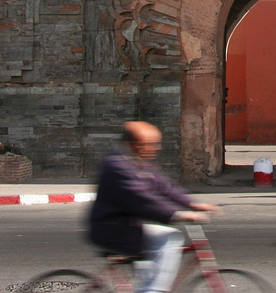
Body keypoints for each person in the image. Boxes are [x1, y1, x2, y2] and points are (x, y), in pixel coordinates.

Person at [89, 121, 220, 293]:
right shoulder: (117, 166)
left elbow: (165, 188)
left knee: (152, 262)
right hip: (111, 229)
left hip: (129, 225)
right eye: (149, 144)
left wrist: (192, 204)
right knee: (169, 237)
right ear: (133, 145)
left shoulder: (138, 161)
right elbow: (142, 199)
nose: (156, 148)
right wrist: (178, 214)